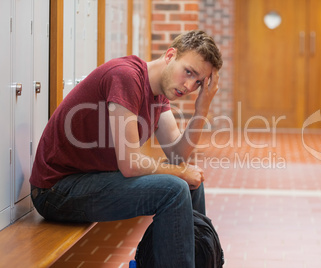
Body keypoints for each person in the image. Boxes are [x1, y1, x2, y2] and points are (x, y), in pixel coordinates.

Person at [29, 30, 223, 268]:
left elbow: (177, 155)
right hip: (56, 190)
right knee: (175, 188)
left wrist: (202, 109)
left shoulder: (159, 95)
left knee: (192, 184)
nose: (190, 85)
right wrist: (181, 173)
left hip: (92, 180)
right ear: (171, 55)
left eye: (199, 82)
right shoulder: (126, 76)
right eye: (189, 72)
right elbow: (130, 164)